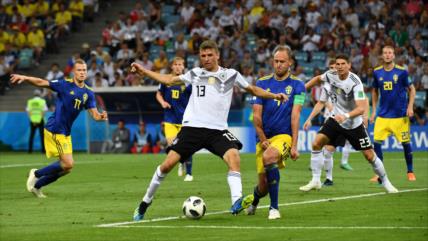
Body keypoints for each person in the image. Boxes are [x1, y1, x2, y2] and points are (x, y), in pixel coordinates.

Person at [130, 40, 287, 221]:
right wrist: (144, 71)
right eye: (203, 56)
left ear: (217, 55)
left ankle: (236, 201)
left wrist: (274, 95)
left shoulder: (231, 74)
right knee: (166, 165)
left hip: (217, 130)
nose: (206, 59)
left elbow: (252, 89)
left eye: (210, 55)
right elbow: (169, 79)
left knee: (234, 156)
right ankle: (145, 203)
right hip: (192, 128)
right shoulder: (196, 73)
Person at [300, 54, 398, 193]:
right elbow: (317, 79)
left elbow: (361, 108)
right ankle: (316, 180)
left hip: (353, 124)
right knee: (316, 143)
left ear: (349, 65)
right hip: (335, 120)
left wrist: (345, 116)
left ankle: (386, 182)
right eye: (337, 64)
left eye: (342, 64)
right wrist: (302, 88)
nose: (339, 67)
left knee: (369, 156)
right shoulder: (330, 75)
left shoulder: (355, 82)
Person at [10, 59, 108, 198]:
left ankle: (37, 186)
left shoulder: (89, 92)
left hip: (65, 132)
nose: (82, 73)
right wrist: (25, 78)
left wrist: (100, 117)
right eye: (79, 70)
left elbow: (94, 114)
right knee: (68, 163)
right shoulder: (64, 84)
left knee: (66, 169)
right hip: (55, 128)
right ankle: (36, 174)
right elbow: (41, 82)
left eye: (84, 70)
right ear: (74, 71)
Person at [246, 45, 304, 220]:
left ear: (290, 63)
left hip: (283, 137)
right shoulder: (262, 83)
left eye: (282, 61)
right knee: (263, 187)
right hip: (264, 138)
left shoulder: (298, 85)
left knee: (270, 157)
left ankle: (274, 208)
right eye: (276, 61)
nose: (278, 65)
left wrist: (294, 145)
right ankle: (255, 200)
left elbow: (295, 116)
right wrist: (262, 139)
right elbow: (256, 115)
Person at [303, 60, 357, 186]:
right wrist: (309, 119)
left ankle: (332, 173)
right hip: (330, 122)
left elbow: (360, 100)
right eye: (331, 68)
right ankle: (326, 178)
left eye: (336, 67)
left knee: (328, 151)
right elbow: (320, 103)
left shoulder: (350, 82)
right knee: (324, 149)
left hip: (344, 122)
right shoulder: (327, 86)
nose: (334, 70)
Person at [370, 46, 416, 182]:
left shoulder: (402, 72)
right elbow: (374, 91)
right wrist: (373, 112)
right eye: (385, 53)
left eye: (390, 53)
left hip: (400, 116)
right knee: (376, 144)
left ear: (394, 55)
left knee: (406, 143)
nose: (387, 55)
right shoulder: (377, 72)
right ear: (382, 56)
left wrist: (410, 106)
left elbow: (412, 90)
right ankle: (379, 174)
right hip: (383, 116)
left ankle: (410, 171)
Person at [155, 57, 194, 181]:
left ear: (183, 67)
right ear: (172, 66)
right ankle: (180, 162)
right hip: (170, 118)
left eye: (180, 64)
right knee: (172, 145)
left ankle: (189, 173)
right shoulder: (166, 80)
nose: (178, 66)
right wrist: (162, 102)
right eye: (175, 64)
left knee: (187, 146)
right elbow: (158, 93)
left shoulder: (188, 81)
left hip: (185, 119)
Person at [26, 89, 48, 153]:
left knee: (31, 135)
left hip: (32, 120)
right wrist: (40, 118)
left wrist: (32, 119)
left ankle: (30, 150)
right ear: (39, 94)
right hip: (40, 120)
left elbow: (28, 111)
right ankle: (43, 150)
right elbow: (44, 110)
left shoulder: (30, 101)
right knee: (42, 136)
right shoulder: (42, 101)